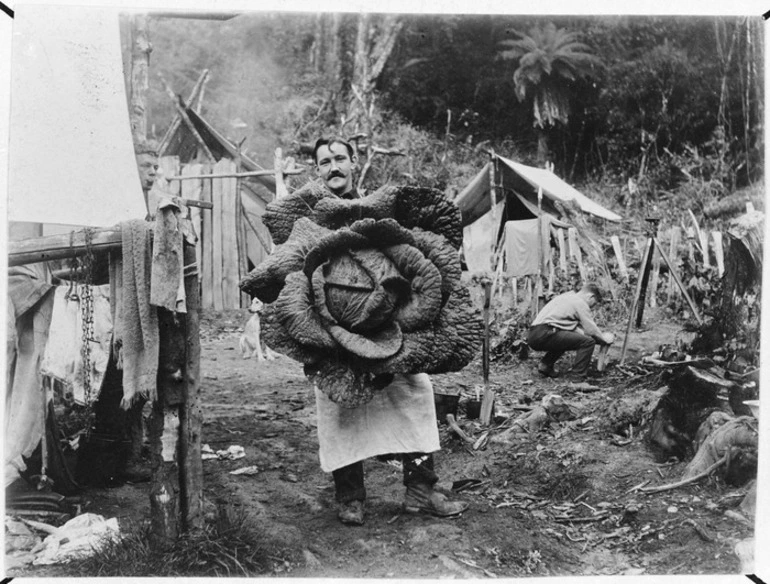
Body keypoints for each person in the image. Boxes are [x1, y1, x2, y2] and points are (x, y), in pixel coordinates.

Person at [310, 136, 469, 526]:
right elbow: (292, 273)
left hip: (395, 324)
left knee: (415, 396)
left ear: (353, 162)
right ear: (317, 170)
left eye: (339, 158)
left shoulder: (385, 206)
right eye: (325, 161)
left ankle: (420, 488)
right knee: (339, 409)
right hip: (333, 333)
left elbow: (418, 258)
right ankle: (350, 496)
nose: (333, 166)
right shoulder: (309, 217)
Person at [527, 283, 615, 380]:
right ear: (591, 297)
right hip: (544, 333)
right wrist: (604, 340)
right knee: (588, 342)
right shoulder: (580, 302)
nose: (593, 307)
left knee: (567, 338)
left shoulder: (567, 297)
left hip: (534, 334)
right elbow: (591, 330)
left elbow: (578, 331)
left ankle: (545, 365)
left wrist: (597, 338)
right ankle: (578, 379)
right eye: (595, 303)